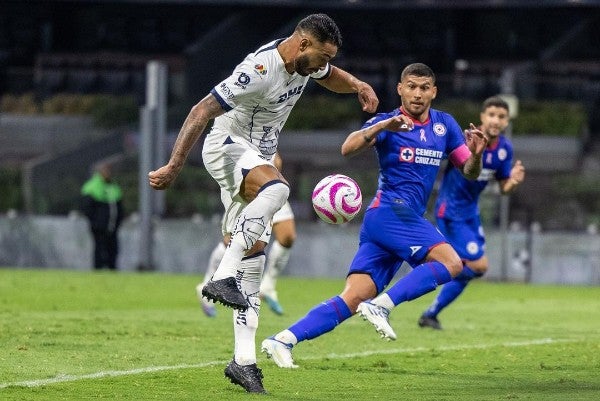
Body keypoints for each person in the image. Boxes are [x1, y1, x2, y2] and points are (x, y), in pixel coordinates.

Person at [148, 14, 378, 393]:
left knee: (253, 269)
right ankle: (220, 275)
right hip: (226, 148)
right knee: (279, 190)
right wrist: (174, 166)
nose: (324, 65)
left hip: (256, 158)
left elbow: (330, 75)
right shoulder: (258, 69)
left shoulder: (306, 64)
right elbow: (200, 111)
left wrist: (357, 86)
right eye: (322, 57)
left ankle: (244, 362)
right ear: (302, 43)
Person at [261, 62, 488, 369]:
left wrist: (476, 154)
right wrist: (381, 126)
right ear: (400, 89)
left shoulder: (444, 126)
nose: (417, 94)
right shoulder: (387, 122)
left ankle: (282, 340)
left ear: (433, 91)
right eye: (411, 86)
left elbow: (469, 173)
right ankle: (382, 306)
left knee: (353, 299)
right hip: (390, 213)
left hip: (392, 224)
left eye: (424, 88)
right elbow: (347, 148)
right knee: (451, 263)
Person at [418, 96, 526, 330]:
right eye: (492, 115)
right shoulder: (466, 139)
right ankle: (425, 272)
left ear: (507, 121)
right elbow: (438, 154)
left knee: (472, 270)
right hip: (451, 211)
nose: (496, 120)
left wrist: (514, 182)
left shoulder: (504, 149)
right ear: (482, 116)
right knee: (477, 266)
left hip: (470, 213)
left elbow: (504, 188)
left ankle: (431, 313)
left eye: (501, 116)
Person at [197, 154, 296, 317]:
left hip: (272, 183)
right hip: (247, 180)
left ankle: (268, 287)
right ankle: (207, 284)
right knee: (233, 240)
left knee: (287, 236)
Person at [80, 163, 124, 270]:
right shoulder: (92, 187)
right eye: (105, 171)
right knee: (100, 248)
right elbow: (87, 208)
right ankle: (98, 270)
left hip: (113, 226)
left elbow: (119, 207)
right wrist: (95, 222)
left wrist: (118, 221)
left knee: (113, 249)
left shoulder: (113, 186)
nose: (107, 173)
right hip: (99, 226)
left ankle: (112, 269)